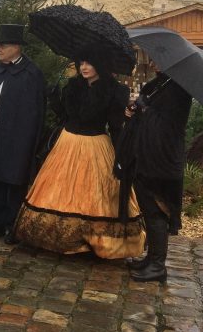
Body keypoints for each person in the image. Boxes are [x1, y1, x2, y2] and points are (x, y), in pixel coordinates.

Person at [14, 47, 145, 258]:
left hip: (95, 145)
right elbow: (66, 116)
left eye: (89, 63)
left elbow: (115, 125)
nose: (83, 67)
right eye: (81, 62)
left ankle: (94, 240)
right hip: (67, 143)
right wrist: (55, 99)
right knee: (59, 190)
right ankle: (56, 237)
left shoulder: (114, 90)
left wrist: (125, 135)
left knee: (93, 193)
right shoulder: (73, 86)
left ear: (100, 64)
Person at [116, 61, 192, 282]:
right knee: (149, 209)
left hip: (161, 159)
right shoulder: (162, 83)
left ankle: (158, 265)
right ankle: (151, 258)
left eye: (160, 59)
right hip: (147, 155)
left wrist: (143, 107)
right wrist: (135, 108)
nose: (154, 62)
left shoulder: (178, 89)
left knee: (157, 209)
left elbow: (167, 123)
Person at [0, 24, 46, 244]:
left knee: (14, 180)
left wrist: (29, 143)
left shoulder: (31, 74)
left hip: (17, 138)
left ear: (16, 47)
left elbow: (37, 113)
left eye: (2, 45)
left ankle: (13, 224)